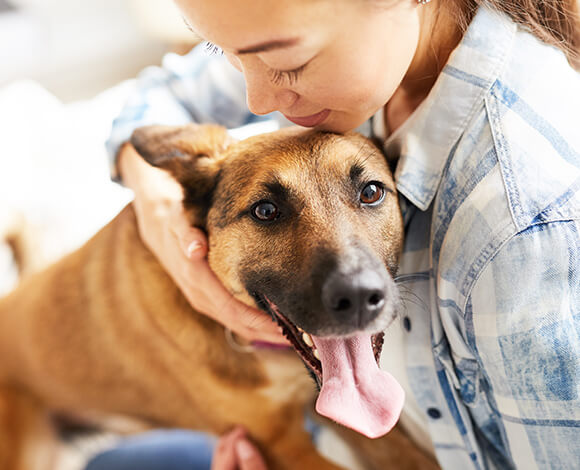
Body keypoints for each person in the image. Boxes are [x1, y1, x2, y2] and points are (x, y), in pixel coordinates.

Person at [95, 0, 580, 468]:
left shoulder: (520, 231)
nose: (258, 102)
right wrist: (161, 213)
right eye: (231, 55)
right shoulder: (322, 31)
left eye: (289, 62)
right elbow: (154, 100)